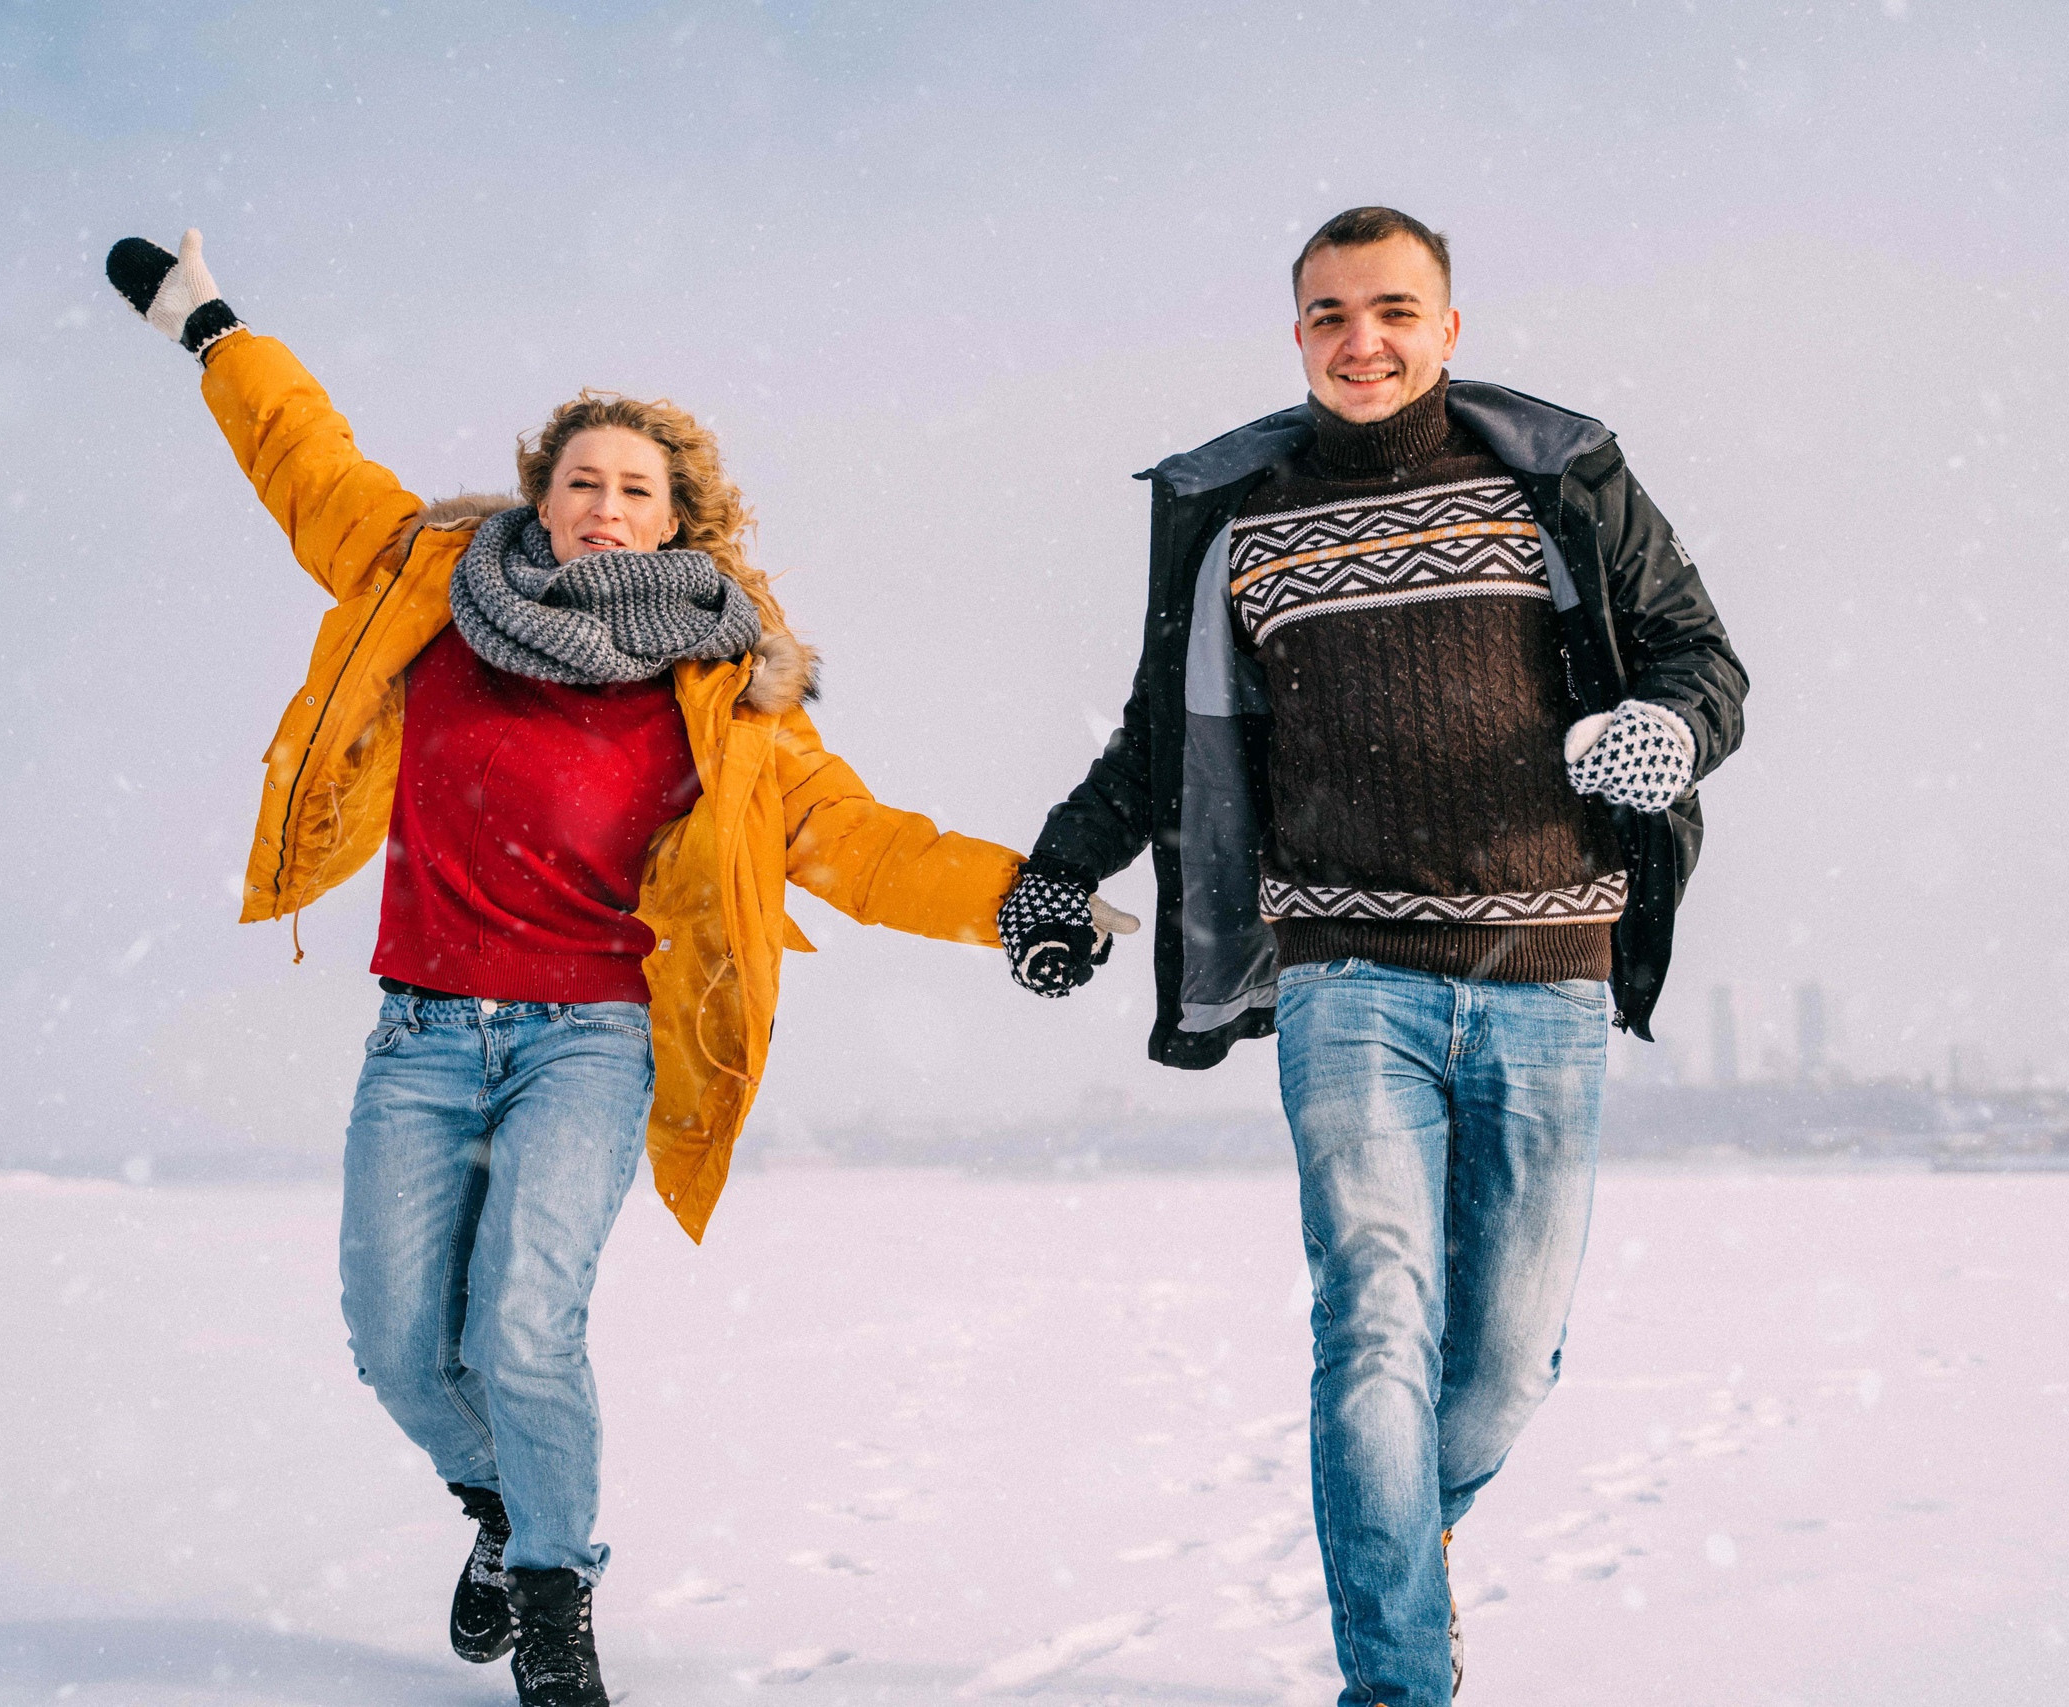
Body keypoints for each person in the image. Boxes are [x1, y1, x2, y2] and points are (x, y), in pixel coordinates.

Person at [103, 229, 1097, 1707]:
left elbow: (856, 841)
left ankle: (555, 1593)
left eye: (636, 487)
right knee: (397, 1343)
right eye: (582, 481)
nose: (605, 507)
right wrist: (211, 327)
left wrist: (1018, 902)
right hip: (422, 1031)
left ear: (680, 516)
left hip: (590, 1039)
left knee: (522, 1324)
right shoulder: (427, 581)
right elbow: (304, 462)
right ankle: (501, 1510)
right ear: (541, 495)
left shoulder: (723, 690)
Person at [997, 207, 1748, 1707]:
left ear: (1448, 327)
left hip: (1550, 968)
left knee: (1509, 1362)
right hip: (1347, 976)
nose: (1364, 340)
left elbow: (1700, 659)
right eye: (1332, 314)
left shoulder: (1560, 479)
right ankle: (1396, 1680)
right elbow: (1159, 737)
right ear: (1296, 335)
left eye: (1395, 309)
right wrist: (1056, 870)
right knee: (1374, 1326)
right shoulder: (1238, 516)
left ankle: (1405, 1536)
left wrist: (1669, 731)